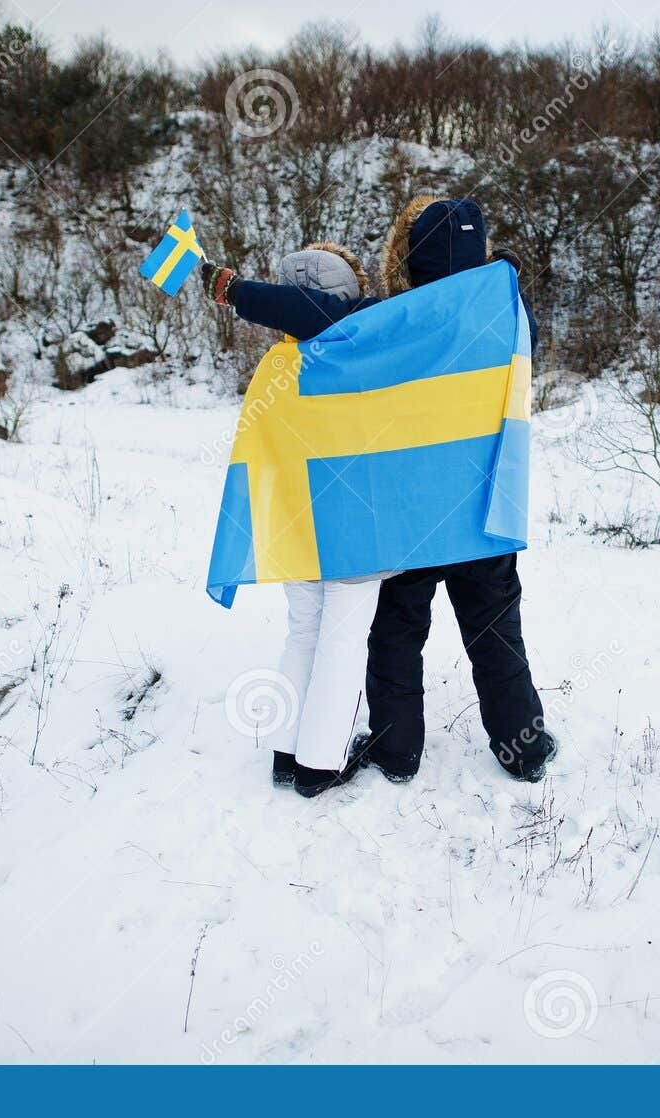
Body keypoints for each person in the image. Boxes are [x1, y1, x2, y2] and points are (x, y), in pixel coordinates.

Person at [200, 198, 555, 787]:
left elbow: (312, 313)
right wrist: (502, 275)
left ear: (408, 260)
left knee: (396, 638)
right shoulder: (508, 314)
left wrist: (231, 288)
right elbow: (524, 331)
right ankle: (525, 749)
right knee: (496, 636)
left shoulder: (399, 318)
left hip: (409, 518)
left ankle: (396, 752)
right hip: (483, 515)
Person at [202, 243, 383, 798]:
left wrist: (239, 290)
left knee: (304, 633)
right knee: (343, 641)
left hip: (297, 523)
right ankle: (320, 765)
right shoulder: (361, 345)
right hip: (353, 526)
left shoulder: (279, 363)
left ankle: (286, 751)